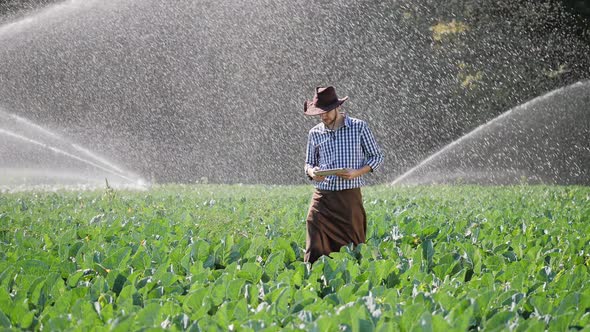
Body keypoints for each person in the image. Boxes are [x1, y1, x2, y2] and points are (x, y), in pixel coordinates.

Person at [303, 86, 384, 263]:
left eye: (326, 112)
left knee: (352, 244)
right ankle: (313, 276)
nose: (323, 116)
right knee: (313, 228)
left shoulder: (358, 127)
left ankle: (351, 278)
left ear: (336, 107)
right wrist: (312, 172)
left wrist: (357, 172)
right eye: (319, 113)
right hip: (322, 196)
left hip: (348, 196)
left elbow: (376, 157)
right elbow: (308, 163)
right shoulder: (315, 133)